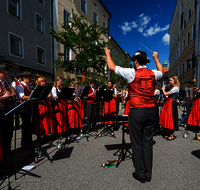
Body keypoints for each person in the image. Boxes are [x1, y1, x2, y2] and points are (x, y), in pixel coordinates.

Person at [104, 48, 163, 183]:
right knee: (147, 143)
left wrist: (108, 54)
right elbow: (162, 71)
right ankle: (148, 174)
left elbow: (111, 67)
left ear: (136, 62)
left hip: (137, 111)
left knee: (137, 143)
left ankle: (141, 174)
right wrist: (157, 59)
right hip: (151, 111)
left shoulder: (131, 73)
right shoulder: (153, 74)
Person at [0, 64, 16, 159]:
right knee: (2, 131)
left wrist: (13, 94)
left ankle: (7, 149)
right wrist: (4, 97)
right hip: (1, 109)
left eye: (6, 73)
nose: (5, 75)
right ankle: (1, 151)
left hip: (9, 108)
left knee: (9, 130)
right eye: (3, 73)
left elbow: (9, 95)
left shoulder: (6, 83)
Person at [16, 71, 34, 150]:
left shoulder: (28, 86)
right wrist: (32, 96)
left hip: (28, 106)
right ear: (25, 78)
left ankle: (28, 142)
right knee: (25, 125)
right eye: (29, 78)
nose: (30, 80)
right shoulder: (20, 86)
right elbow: (22, 97)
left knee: (28, 125)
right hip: (24, 108)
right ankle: (25, 143)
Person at [159, 76, 180, 140]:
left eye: (171, 80)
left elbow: (166, 94)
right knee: (167, 117)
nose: (169, 81)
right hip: (168, 103)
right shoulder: (172, 88)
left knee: (171, 118)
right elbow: (167, 96)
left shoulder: (176, 88)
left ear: (174, 81)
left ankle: (172, 134)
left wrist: (163, 89)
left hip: (172, 104)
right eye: (169, 80)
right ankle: (168, 133)